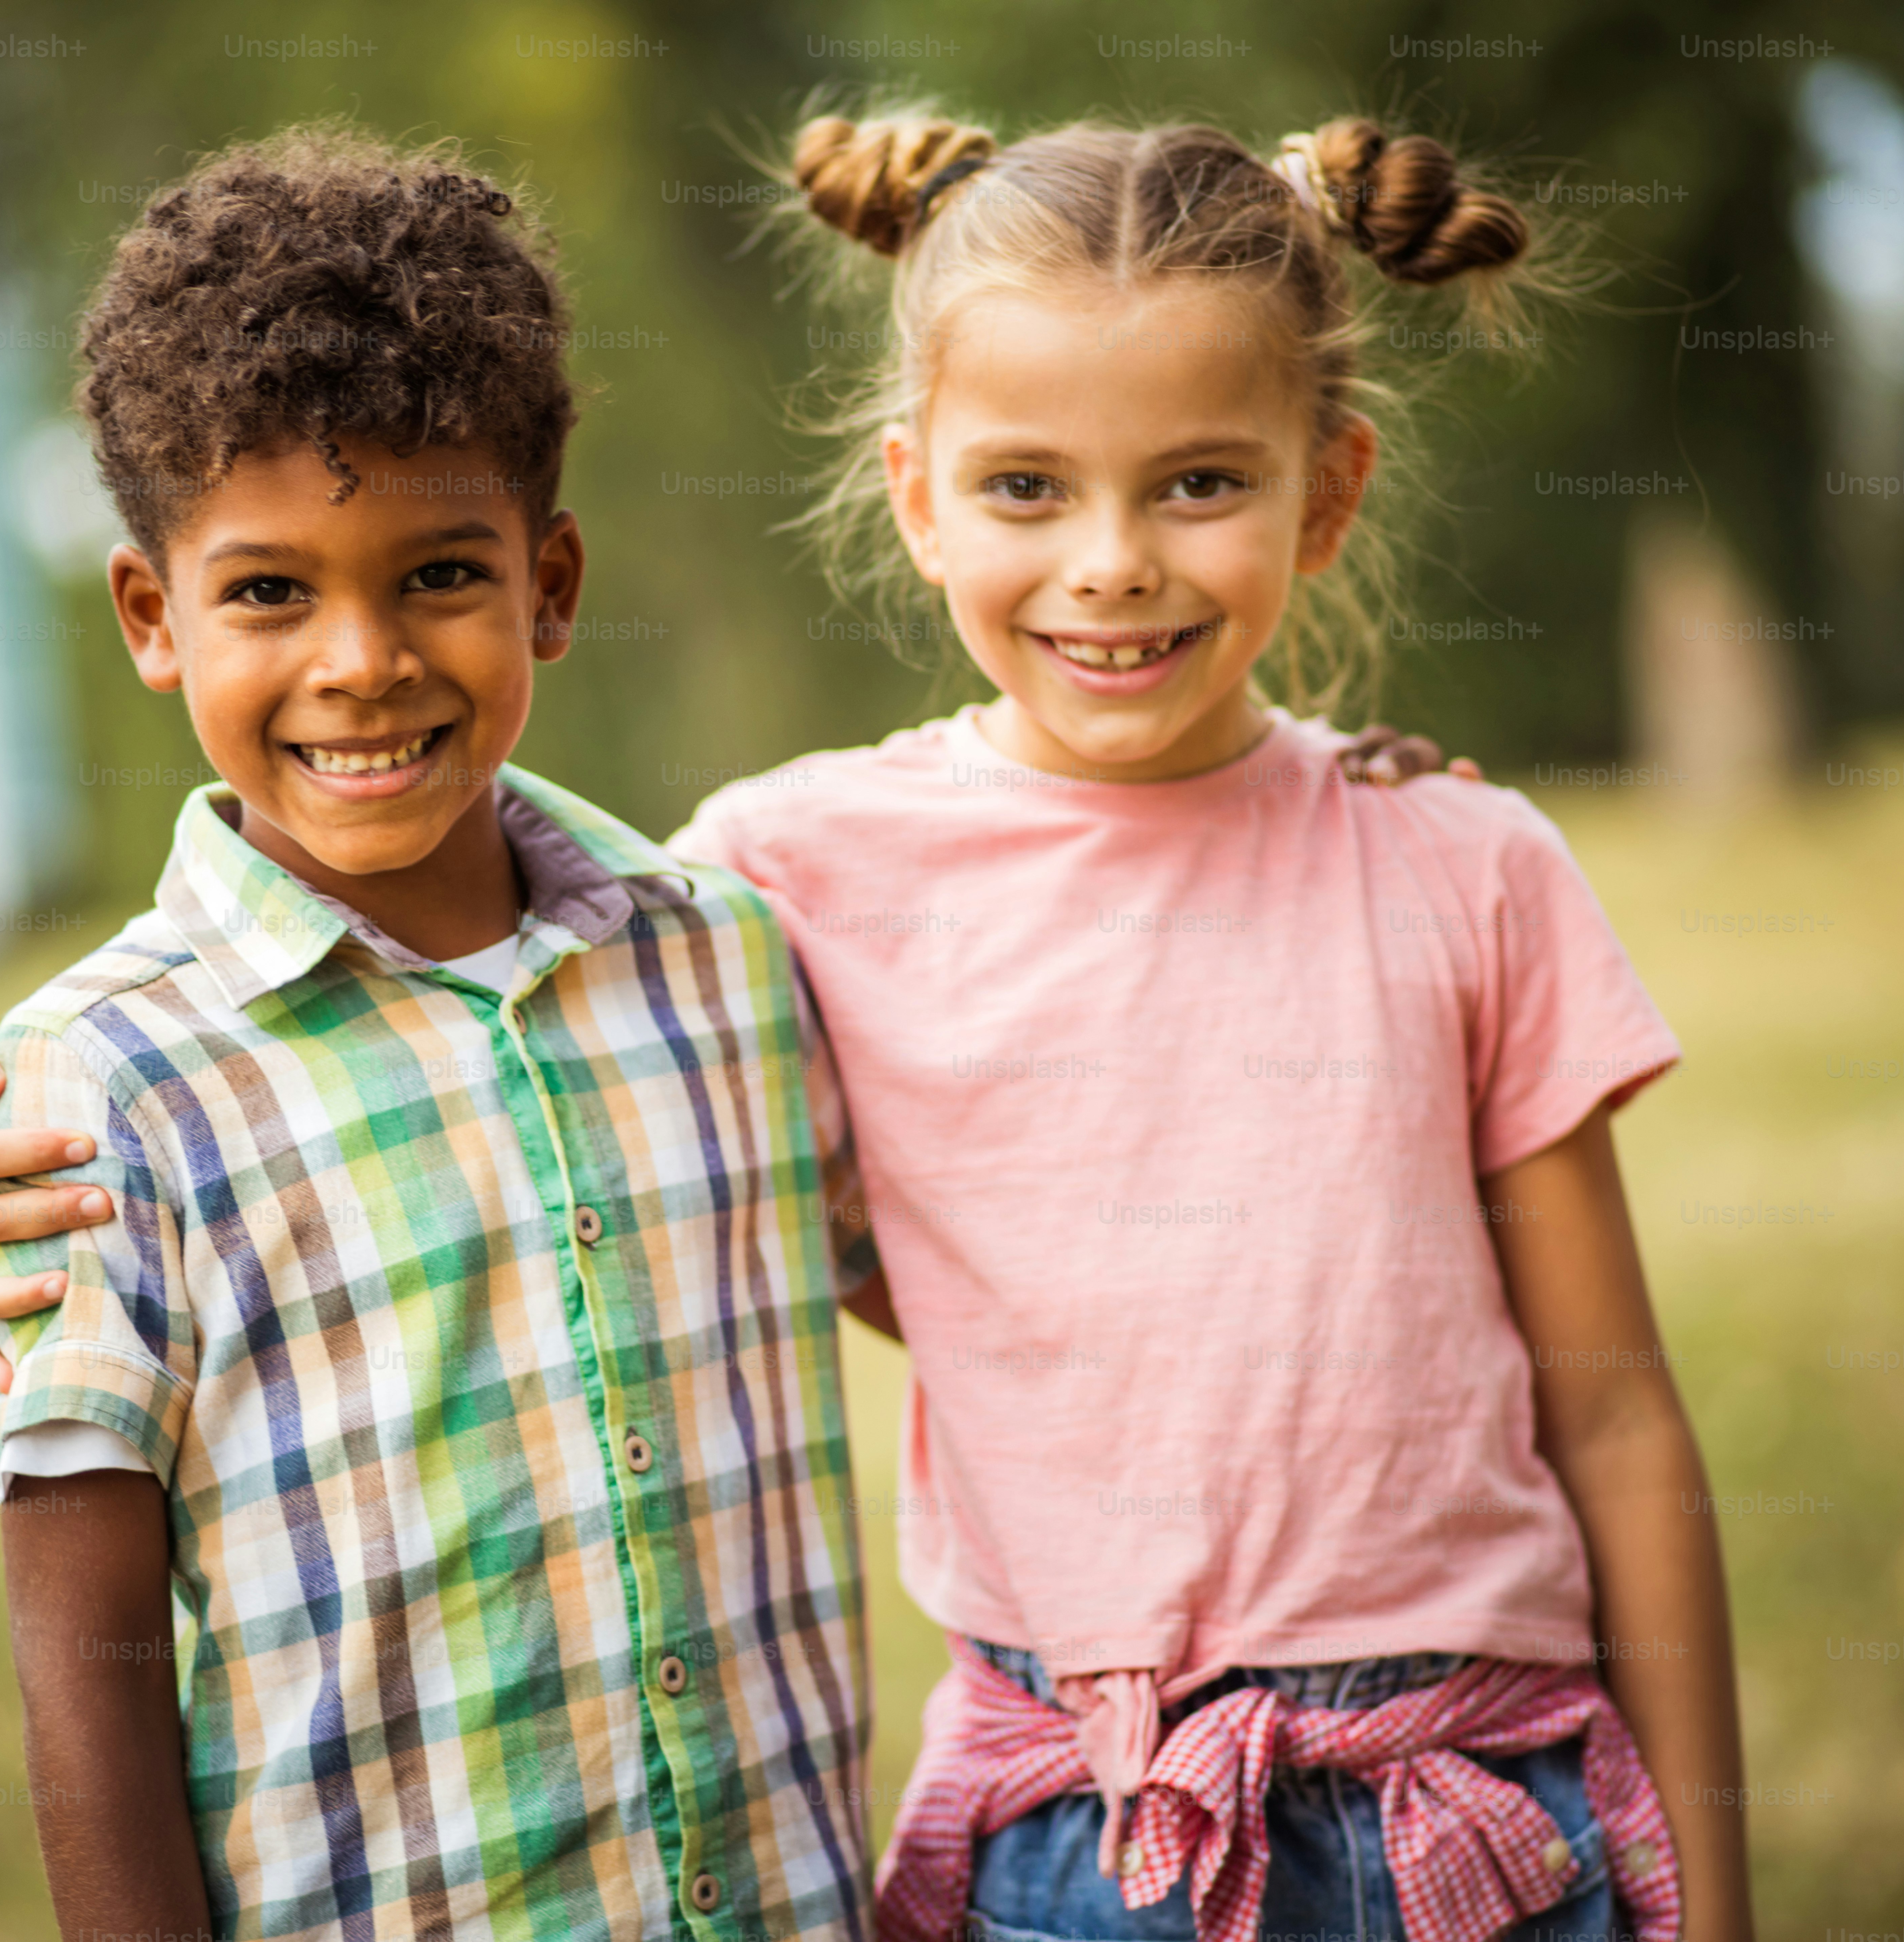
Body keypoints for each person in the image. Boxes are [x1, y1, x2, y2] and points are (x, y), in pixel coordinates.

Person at [680, 112, 1749, 1941]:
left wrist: (1710, 1901)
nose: (1111, 562)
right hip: (1093, 1840)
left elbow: (1617, 1418)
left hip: (1487, 1820)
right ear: (918, 495)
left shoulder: (1465, 864)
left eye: (1197, 483)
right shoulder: (788, 873)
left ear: (1325, 494)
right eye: (1026, 487)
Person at [0, 125, 879, 1942]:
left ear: (552, 581)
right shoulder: (101, 1087)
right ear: (151, 614)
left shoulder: (735, 971)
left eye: (440, 575)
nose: (362, 660)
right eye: (269, 591)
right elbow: (85, 1674)